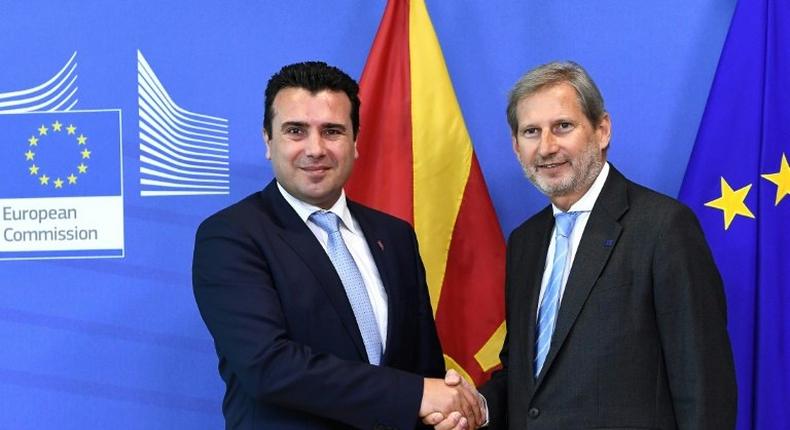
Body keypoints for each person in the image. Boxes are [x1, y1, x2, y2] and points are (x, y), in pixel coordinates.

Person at [436, 61, 737, 430]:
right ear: (516, 147)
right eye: (531, 131)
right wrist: (479, 407)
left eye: (562, 126)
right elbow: (529, 378)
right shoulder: (525, 242)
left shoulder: (663, 227)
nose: (546, 147)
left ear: (602, 130)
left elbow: (703, 383)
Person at [192, 61, 481, 429]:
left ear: (355, 142)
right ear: (268, 140)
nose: (315, 149)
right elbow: (268, 366)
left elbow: (423, 367)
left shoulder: (394, 236)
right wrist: (416, 394)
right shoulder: (231, 235)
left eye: (332, 131)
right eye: (296, 131)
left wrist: (445, 410)